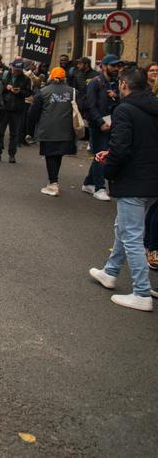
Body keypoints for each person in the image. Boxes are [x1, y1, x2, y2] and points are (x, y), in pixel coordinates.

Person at [89, 67, 158, 312]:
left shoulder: (124, 110)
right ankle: (111, 271)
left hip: (133, 180)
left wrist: (109, 169)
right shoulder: (153, 106)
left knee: (131, 235)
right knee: (124, 228)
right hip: (152, 179)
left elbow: (120, 147)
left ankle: (141, 292)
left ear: (125, 85)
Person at [28, 67, 77, 196]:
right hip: (66, 130)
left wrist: (30, 130)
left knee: (50, 156)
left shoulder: (43, 92)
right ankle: (54, 180)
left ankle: (53, 183)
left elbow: (33, 112)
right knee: (58, 155)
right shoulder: (72, 91)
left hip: (48, 130)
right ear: (64, 78)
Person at [81, 54, 123, 202]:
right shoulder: (95, 82)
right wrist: (100, 123)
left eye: (117, 66)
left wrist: (116, 96)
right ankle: (99, 188)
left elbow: (119, 102)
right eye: (113, 65)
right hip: (98, 125)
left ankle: (88, 182)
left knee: (102, 153)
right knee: (102, 155)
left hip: (111, 124)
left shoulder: (115, 82)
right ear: (104, 66)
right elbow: (90, 105)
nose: (116, 68)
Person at [0, 60, 32, 163]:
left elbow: (28, 93)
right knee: (0, 132)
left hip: (17, 109)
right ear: (12, 68)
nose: (16, 72)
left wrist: (20, 92)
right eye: (15, 70)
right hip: (4, 107)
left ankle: (12, 154)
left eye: (18, 71)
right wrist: (6, 87)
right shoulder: (5, 75)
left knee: (14, 133)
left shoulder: (26, 79)